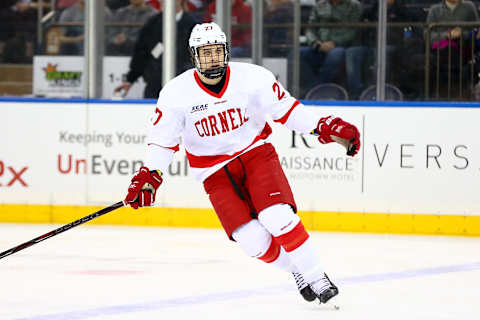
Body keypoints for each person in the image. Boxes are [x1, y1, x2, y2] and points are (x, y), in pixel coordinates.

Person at [123, 22, 361, 305]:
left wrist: (323, 125)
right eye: (205, 52)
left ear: (226, 52)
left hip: (255, 155)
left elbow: (287, 111)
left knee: (277, 216)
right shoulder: (176, 93)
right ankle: (297, 269)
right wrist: (150, 174)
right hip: (213, 172)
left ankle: (318, 278)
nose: (212, 58)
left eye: (216, 51)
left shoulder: (253, 78)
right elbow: (162, 142)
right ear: (194, 56)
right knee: (252, 241)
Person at [114, 0, 196, 98]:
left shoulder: (193, 26)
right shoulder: (152, 23)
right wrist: (130, 80)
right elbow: (141, 54)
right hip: (154, 88)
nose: (162, 1)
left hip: (184, 89)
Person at [300, 0, 362, 98]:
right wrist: (315, 42)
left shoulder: (354, 5)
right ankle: (310, 88)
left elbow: (354, 30)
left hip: (341, 46)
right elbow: (310, 28)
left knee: (336, 55)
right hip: (320, 45)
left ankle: (315, 90)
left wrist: (335, 42)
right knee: (297, 54)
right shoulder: (320, 5)